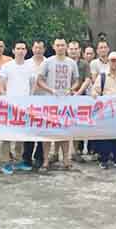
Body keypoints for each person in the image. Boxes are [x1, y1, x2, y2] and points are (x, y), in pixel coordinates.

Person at [37, 37, 79, 170]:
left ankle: (66, 160)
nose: (60, 47)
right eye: (58, 45)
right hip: (49, 102)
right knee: (48, 133)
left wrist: (71, 89)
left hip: (65, 103)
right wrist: (50, 90)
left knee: (64, 132)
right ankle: (45, 160)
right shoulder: (47, 62)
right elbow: (39, 80)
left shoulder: (71, 63)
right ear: (54, 47)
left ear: (66, 47)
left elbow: (77, 80)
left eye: (62, 45)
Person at [0, 41, 35, 174]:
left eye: (23, 48)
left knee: (21, 134)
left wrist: (30, 97)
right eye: (18, 48)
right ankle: (6, 162)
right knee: (7, 135)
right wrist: (4, 96)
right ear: (13, 51)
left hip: (24, 106)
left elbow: (33, 83)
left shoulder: (30, 66)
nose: (20, 51)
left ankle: (19, 160)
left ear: (26, 51)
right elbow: (1, 83)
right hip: (9, 105)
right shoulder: (7, 66)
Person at [92, 51, 116, 169]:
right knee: (105, 137)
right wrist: (95, 95)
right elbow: (95, 90)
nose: (115, 63)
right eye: (112, 60)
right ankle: (103, 159)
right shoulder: (102, 76)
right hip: (105, 112)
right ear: (108, 61)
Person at [23, 39, 46, 169]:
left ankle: (39, 157)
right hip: (29, 102)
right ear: (32, 49)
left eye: (40, 48)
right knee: (29, 131)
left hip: (44, 101)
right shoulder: (26, 63)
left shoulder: (48, 62)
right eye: (36, 47)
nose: (38, 50)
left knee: (42, 131)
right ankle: (27, 157)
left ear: (44, 49)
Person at [68, 40, 91, 161]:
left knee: (78, 125)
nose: (73, 51)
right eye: (71, 49)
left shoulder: (84, 64)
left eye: (76, 49)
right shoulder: (64, 62)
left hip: (80, 97)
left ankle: (76, 151)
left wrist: (78, 92)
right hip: (64, 97)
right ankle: (56, 153)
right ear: (67, 50)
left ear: (79, 50)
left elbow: (87, 79)